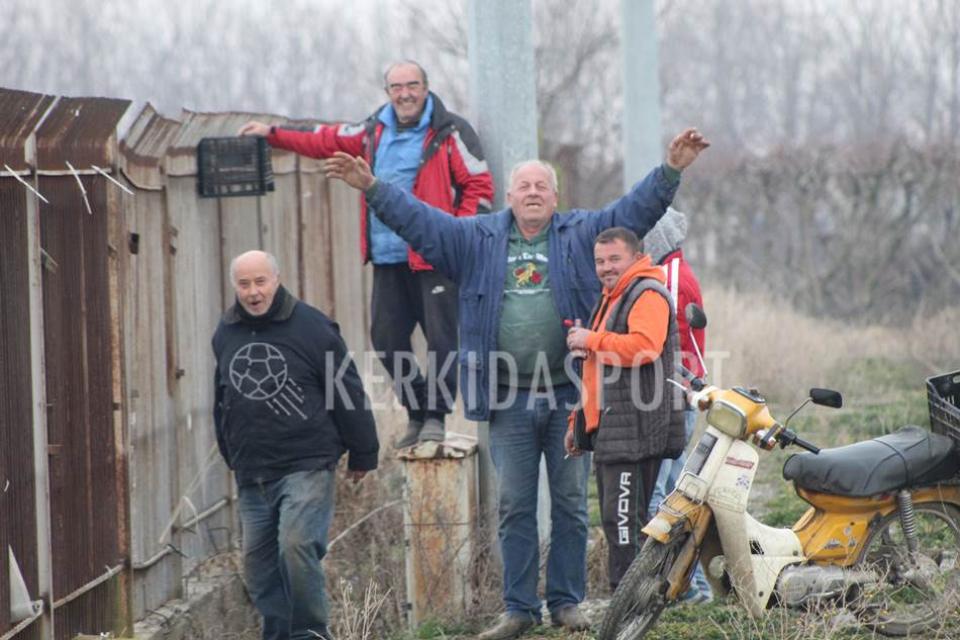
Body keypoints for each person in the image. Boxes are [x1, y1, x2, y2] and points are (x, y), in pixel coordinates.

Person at [321, 128, 708, 639]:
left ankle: (566, 603)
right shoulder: (474, 239)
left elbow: (635, 211)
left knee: (571, 505)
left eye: (540, 187)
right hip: (506, 398)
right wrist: (373, 188)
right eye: (523, 186)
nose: (531, 193)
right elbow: (421, 223)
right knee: (515, 506)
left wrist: (671, 171)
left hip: (572, 396)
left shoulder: (580, 234)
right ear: (508, 196)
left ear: (554, 196)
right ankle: (519, 609)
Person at [239, 61, 494, 448]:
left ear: (426, 87)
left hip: (436, 257)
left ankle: (436, 417)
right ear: (388, 91)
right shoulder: (374, 129)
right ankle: (417, 410)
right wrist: (272, 135)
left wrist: (459, 235)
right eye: (396, 86)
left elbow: (478, 185)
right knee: (387, 338)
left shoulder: (450, 131)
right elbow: (324, 139)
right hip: (388, 256)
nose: (404, 93)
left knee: (442, 340)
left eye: (412, 85)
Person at [212, 250, 379, 640]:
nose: (253, 292)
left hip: (307, 461)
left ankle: (310, 633)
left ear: (276, 279)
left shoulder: (312, 326)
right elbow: (222, 397)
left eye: (260, 282)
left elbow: (346, 388)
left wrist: (363, 451)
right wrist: (229, 450)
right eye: (244, 284)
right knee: (259, 564)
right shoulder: (226, 332)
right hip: (253, 469)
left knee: (296, 545)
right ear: (235, 286)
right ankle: (278, 633)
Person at [563, 227, 686, 591]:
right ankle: (633, 608)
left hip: (636, 433)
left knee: (624, 529)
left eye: (614, 259)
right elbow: (598, 370)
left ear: (636, 257)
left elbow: (644, 347)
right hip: (613, 433)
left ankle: (629, 612)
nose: (605, 267)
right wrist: (579, 422)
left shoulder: (647, 293)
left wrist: (592, 339)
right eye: (600, 261)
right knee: (620, 529)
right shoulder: (613, 296)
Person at [643, 207, 713, 602]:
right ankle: (694, 590)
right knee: (674, 494)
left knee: (658, 496)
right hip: (676, 393)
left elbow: (665, 345)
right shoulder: (670, 269)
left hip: (671, 395)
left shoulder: (668, 276)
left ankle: (664, 587)